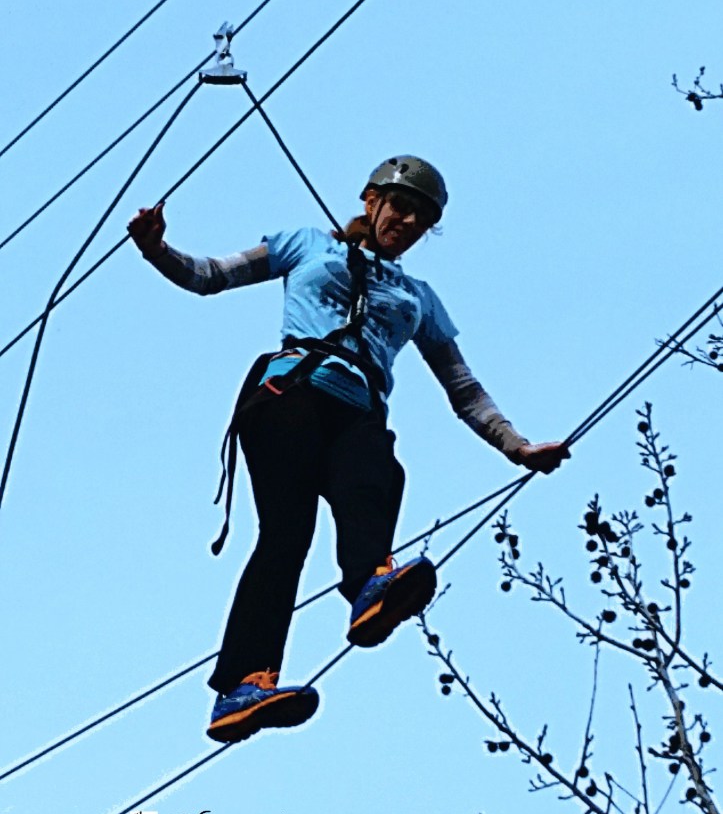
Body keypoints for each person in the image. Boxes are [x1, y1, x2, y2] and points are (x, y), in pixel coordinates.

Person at [127, 155, 569, 745]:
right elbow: (212, 275)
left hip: (359, 408)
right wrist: (158, 248)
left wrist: (516, 446)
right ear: (371, 200)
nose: (409, 222)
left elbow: (462, 388)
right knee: (286, 536)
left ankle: (369, 586)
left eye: (423, 218)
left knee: (377, 473)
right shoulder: (306, 244)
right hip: (291, 393)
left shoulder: (419, 297)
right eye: (402, 207)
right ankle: (243, 685)